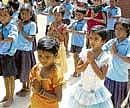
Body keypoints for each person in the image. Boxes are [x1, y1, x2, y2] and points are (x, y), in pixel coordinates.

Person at [65, 25, 113, 108]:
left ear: (103, 41)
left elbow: (101, 76)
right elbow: (78, 70)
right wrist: (87, 61)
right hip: (82, 89)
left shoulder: (105, 57)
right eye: (90, 38)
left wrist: (92, 61)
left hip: (95, 92)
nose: (92, 41)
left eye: (96, 39)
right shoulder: (86, 52)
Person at [103, 18, 130, 108]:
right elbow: (101, 51)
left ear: (127, 31)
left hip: (121, 80)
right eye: (116, 29)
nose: (117, 31)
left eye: (121, 29)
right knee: (107, 103)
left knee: (118, 104)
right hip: (108, 77)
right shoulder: (112, 41)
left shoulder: (129, 44)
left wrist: (116, 53)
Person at [29, 37, 64, 108]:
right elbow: (32, 88)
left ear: (55, 55)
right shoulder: (35, 69)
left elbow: (58, 98)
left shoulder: (56, 73)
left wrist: (41, 91)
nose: (43, 59)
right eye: (40, 56)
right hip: (35, 104)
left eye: (47, 57)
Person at [15, 5, 36, 97]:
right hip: (18, 50)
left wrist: (22, 30)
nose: (24, 16)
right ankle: (23, 87)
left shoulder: (32, 24)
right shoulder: (19, 23)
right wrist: (18, 28)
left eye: (27, 14)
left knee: (26, 70)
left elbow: (31, 39)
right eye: (22, 14)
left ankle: (27, 88)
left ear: (31, 15)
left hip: (26, 51)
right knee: (21, 70)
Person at [0, 6, 18, 107]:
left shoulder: (12, 27)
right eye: (0, 15)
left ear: (10, 17)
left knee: (11, 77)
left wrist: (2, 39)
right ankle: (7, 95)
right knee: (5, 76)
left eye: (5, 15)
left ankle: (11, 97)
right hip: (2, 55)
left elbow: (12, 38)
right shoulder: (1, 26)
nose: (2, 17)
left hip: (9, 56)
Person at [48, 6, 68, 74]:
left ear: (62, 16)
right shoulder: (51, 24)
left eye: (59, 15)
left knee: (59, 63)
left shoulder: (64, 26)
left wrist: (56, 30)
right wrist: (51, 31)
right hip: (51, 45)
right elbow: (48, 34)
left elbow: (62, 38)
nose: (56, 17)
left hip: (59, 46)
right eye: (55, 15)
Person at [68, 8, 87, 77]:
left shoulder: (84, 23)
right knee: (74, 57)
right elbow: (68, 28)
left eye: (79, 15)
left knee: (77, 57)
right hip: (73, 42)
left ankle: (78, 71)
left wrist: (75, 31)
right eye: (76, 15)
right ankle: (76, 70)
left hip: (79, 43)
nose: (78, 16)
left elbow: (84, 32)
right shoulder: (74, 22)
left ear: (83, 15)